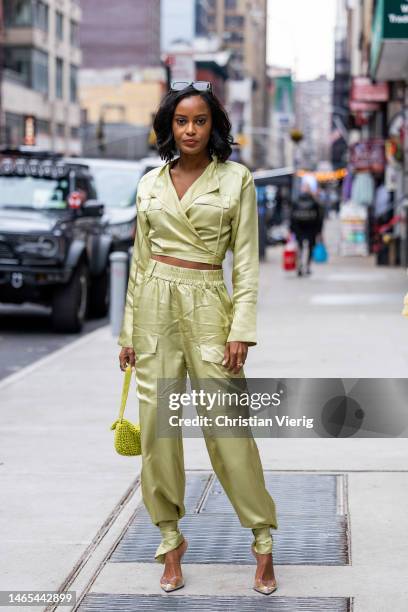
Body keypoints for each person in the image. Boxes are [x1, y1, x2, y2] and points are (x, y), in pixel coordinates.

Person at [117, 81, 278, 595]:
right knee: (158, 432)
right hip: (153, 310)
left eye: (200, 120)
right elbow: (139, 264)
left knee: (228, 429)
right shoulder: (148, 184)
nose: (190, 130)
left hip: (209, 300)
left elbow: (247, 264)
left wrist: (242, 329)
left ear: (215, 127)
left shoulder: (237, 180)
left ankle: (261, 538)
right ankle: (169, 538)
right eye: (181, 121)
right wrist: (128, 333)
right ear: (168, 127)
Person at [289, 178, 324, 276]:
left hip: (299, 228)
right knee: (310, 247)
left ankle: (299, 265)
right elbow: (319, 217)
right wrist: (319, 230)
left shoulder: (296, 201)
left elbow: (291, 216)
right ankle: (307, 266)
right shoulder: (315, 202)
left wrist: (291, 229)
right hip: (311, 228)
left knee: (299, 246)